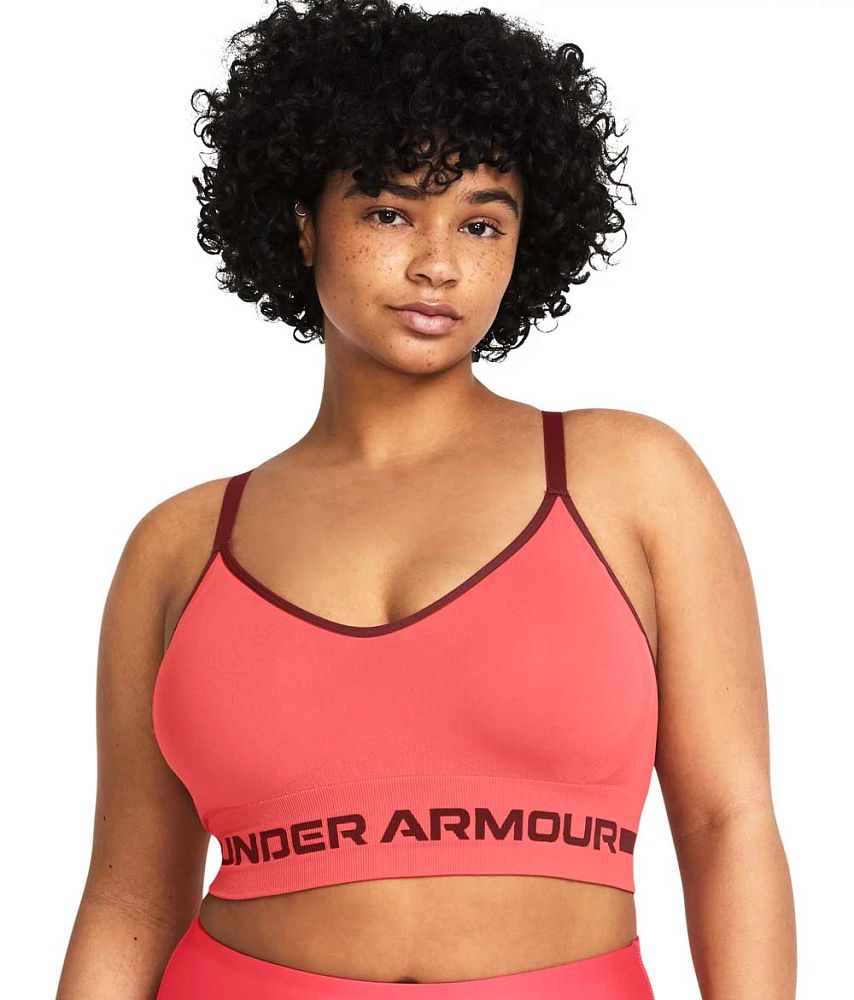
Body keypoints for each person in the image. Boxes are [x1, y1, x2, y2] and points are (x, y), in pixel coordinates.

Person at [56, 1, 796, 997]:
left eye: (480, 223)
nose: (437, 264)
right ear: (303, 223)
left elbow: (725, 822)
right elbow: (129, 899)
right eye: (389, 212)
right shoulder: (179, 545)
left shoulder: (629, 480)